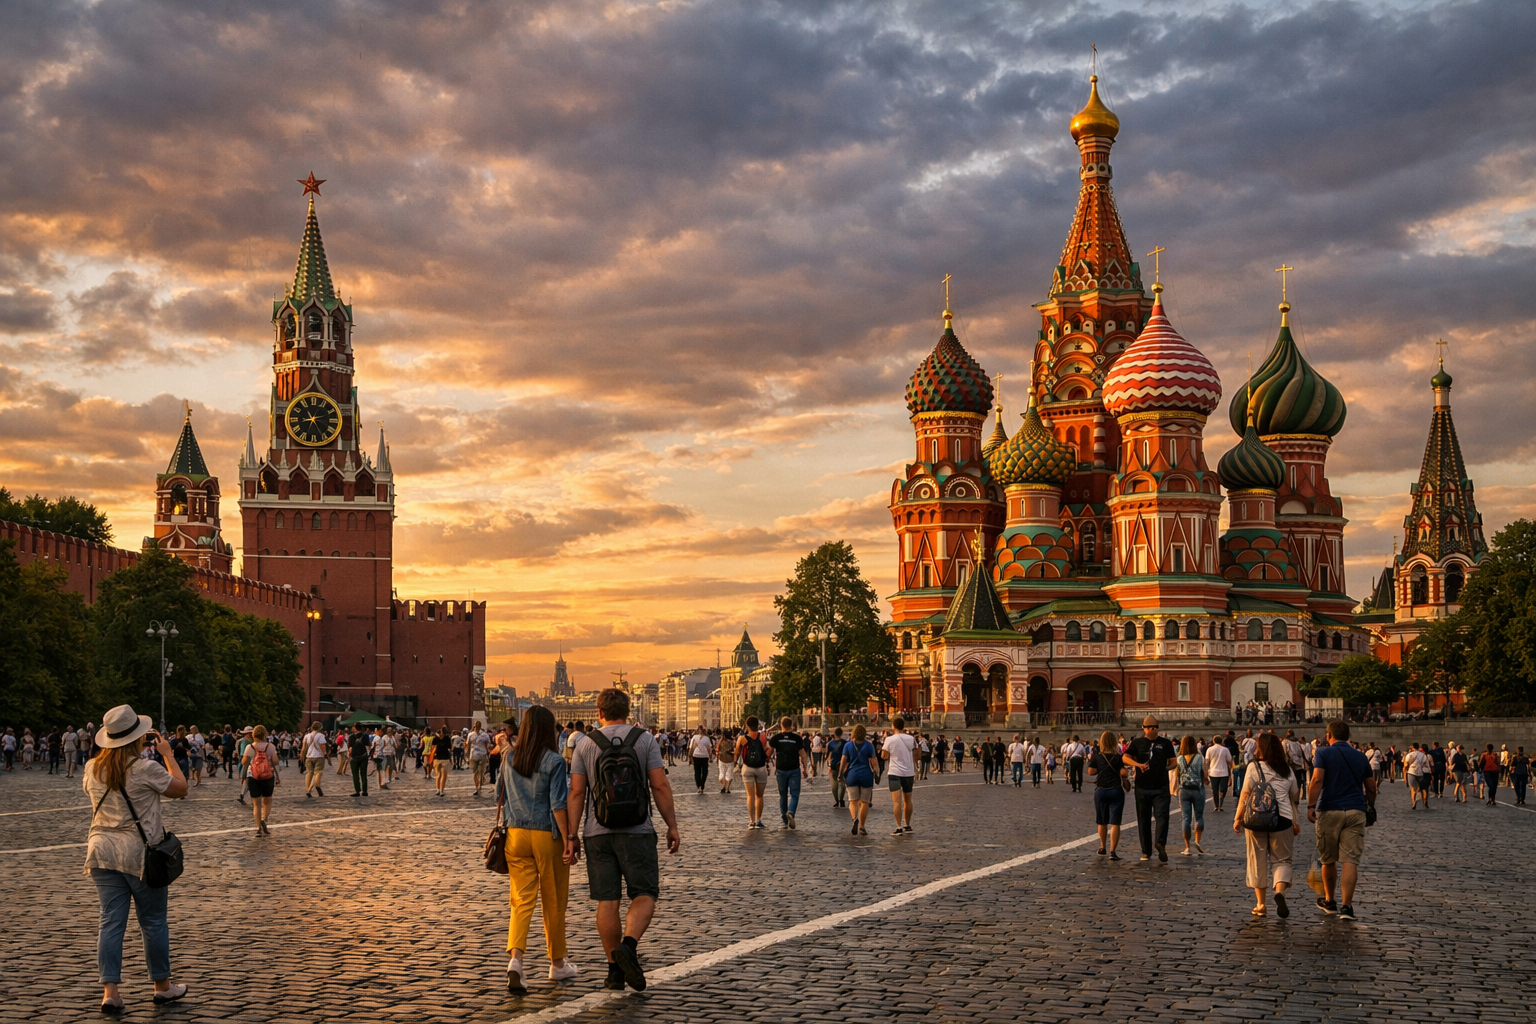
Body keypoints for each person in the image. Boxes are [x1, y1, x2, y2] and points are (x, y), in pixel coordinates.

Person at [565, 687, 678, 993]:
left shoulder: (585, 743)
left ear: (598, 713)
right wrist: (672, 826)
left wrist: (571, 835)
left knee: (607, 900)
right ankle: (628, 945)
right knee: (644, 892)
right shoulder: (644, 740)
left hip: (596, 833)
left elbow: (576, 792)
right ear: (628, 711)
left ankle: (614, 970)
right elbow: (660, 785)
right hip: (638, 830)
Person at [83, 704, 189, 1013]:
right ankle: (162, 987)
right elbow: (181, 790)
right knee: (153, 922)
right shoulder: (145, 768)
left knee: (110, 923)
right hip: (139, 854)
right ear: (139, 739)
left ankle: (110, 993)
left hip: (101, 851)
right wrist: (168, 754)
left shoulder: (92, 768)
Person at [500, 705, 577, 991]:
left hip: (515, 835)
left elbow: (500, 795)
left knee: (520, 900)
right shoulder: (554, 761)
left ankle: (515, 962)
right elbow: (558, 805)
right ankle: (557, 964)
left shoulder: (509, 756)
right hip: (546, 834)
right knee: (553, 900)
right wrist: (570, 837)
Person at [1307, 720, 1375, 921]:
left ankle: (1329, 901)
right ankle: (1347, 907)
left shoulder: (1323, 753)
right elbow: (1371, 786)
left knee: (1328, 859)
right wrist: (1370, 804)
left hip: (1329, 809)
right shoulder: (1360, 756)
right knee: (1350, 860)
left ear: (1329, 735)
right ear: (1349, 735)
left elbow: (1317, 779)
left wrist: (1311, 805)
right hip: (1355, 810)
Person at [1234, 733, 1300, 917]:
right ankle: (1279, 892)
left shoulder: (1254, 767)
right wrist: (1296, 821)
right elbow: (1295, 796)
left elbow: (1245, 794)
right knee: (1282, 860)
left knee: (1257, 859)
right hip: (1284, 818)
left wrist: (1237, 818)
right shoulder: (1287, 769)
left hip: (1258, 818)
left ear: (1260, 748)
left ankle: (1260, 904)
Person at [1122, 716, 1177, 863]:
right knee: (1148, 818)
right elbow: (1125, 758)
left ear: (1155, 728)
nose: (1150, 730)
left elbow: (1174, 762)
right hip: (1142, 786)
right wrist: (1138, 765)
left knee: (1160, 816)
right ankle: (1148, 849)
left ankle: (1157, 844)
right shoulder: (1137, 743)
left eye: (1153, 727)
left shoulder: (1165, 743)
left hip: (1160, 787)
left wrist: (1164, 768)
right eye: (1149, 727)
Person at [1087, 731, 1126, 860]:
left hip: (1101, 790)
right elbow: (1122, 772)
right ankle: (1113, 851)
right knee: (1115, 822)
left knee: (1102, 821)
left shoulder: (1097, 757)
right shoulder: (1118, 757)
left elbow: (1090, 771)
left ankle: (1102, 847)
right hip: (1115, 790)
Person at [769, 718, 809, 830]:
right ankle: (791, 811)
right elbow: (803, 755)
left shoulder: (776, 738)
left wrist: (766, 764)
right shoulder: (797, 738)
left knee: (783, 795)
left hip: (781, 769)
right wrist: (805, 768)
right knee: (795, 794)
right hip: (794, 769)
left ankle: (784, 820)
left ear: (781, 725)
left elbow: (769, 751)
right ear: (791, 725)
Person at [241, 725, 280, 836]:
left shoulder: (250, 747)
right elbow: (275, 762)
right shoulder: (270, 746)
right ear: (265, 734)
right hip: (268, 776)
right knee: (267, 800)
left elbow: (244, 762)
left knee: (256, 804)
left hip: (253, 776)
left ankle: (258, 827)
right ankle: (264, 818)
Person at [882, 717, 919, 835]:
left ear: (893, 726)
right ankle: (907, 824)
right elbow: (916, 752)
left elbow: (884, 756)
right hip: (909, 772)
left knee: (896, 802)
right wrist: (915, 767)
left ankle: (898, 826)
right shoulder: (911, 739)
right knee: (908, 800)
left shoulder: (889, 739)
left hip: (894, 772)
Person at [840, 724, 878, 836]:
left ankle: (854, 818)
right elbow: (874, 762)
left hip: (852, 774)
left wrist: (840, 774)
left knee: (853, 801)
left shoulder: (848, 745)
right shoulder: (869, 746)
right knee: (864, 802)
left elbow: (843, 761)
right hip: (866, 775)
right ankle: (862, 826)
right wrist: (877, 773)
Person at [735, 717, 770, 829]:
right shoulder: (763, 737)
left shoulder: (742, 738)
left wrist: (735, 763)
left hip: (747, 768)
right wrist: (767, 763)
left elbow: (737, 752)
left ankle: (751, 821)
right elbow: (767, 750)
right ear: (757, 725)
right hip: (760, 768)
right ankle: (759, 820)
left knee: (750, 796)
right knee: (759, 796)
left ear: (747, 726)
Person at [1174, 735, 1206, 856]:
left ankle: (1187, 847)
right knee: (1199, 816)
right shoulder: (1199, 757)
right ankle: (1197, 840)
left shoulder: (1179, 759)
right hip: (1198, 789)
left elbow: (1177, 775)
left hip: (1184, 789)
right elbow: (1205, 774)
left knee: (1186, 818)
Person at [1205, 734, 1234, 812]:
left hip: (1213, 772)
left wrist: (1205, 772)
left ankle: (1216, 805)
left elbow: (1207, 761)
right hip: (1223, 772)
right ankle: (1221, 799)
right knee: (1223, 789)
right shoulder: (1225, 750)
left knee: (1215, 790)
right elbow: (1229, 760)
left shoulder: (1209, 749)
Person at [301, 723, 327, 798]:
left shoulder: (307, 736)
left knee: (309, 773)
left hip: (309, 756)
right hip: (319, 756)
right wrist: (325, 754)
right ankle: (315, 785)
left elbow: (303, 747)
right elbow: (322, 746)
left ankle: (307, 789)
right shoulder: (321, 736)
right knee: (318, 772)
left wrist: (302, 755)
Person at [466, 722, 491, 795]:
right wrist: (467, 755)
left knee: (481, 772)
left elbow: (488, 745)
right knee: (475, 772)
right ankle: (477, 787)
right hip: (473, 755)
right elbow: (468, 745)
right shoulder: (470, 735)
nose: (476, 727)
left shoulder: (485, 735)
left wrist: (488, 753)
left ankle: (480, 785)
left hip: (483, 754)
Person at [825, 728, 847, 808]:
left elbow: (827, 755)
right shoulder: (845, 743)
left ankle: (836, 800)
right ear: (842, 733)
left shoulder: (830, 743)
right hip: (842, 764)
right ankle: (841, 799)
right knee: (842, 783)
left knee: (834, 784)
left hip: (833, 764)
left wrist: (828, 764)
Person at [1405, 743, 1431, 810]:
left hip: (1411, 772)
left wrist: (1406, 769)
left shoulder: (1409, 755)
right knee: (1423, 788)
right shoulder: (1423, 755)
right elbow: (1425, 763)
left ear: (1412, 747)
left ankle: (1413, 803)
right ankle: (1425, 801)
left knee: (1413, 789)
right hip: (1420, 772)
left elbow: (1405, 764)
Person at [688, 727, 713, 795]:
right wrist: (710, 757)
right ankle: (702, 785)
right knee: (705, 772)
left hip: (696, 755)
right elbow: (709, 748)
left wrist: (690, 757)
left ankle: (698, 785)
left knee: (697, 772)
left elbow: (691, 748)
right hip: (704, 756)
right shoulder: (706, 738)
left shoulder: (694, 737)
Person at [431, 727, 453, 796]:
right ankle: (441, 790)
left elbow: (432, 747)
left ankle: (437, 789)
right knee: (443, 775)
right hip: (445, 758)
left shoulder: (435, 739)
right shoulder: (447, 739)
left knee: (438, 775)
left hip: (437, 758)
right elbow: (449, 747)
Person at [714, 728, 737, 794]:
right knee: (728, 774)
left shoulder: (720, 741)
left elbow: (717, 750)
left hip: (722, 759)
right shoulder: (733, 742)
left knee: (722, 774)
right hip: (730, 760)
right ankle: (727, 787)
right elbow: (735, 751)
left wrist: (718, 758)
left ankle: (724, 787)